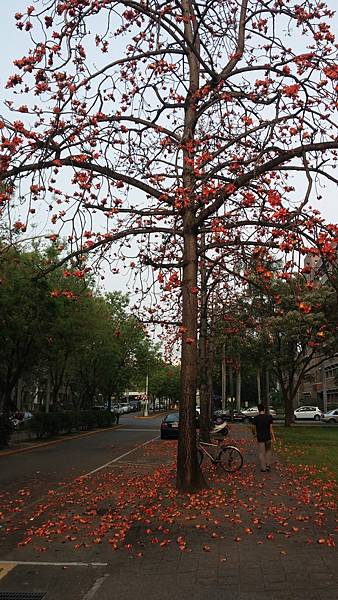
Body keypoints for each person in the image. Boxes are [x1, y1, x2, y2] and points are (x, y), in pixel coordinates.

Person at [251, 403, 275, 472]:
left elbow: (253, 428)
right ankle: (268, 465)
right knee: (268, 451)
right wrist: (273, 437)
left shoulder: (256, 418)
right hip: (268, 437)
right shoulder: (269, 417)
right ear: (264, 409)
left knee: (261, 452)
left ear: (258, 410)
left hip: (260, 437)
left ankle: (263, 467)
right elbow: (271, 429)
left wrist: (254, 434)